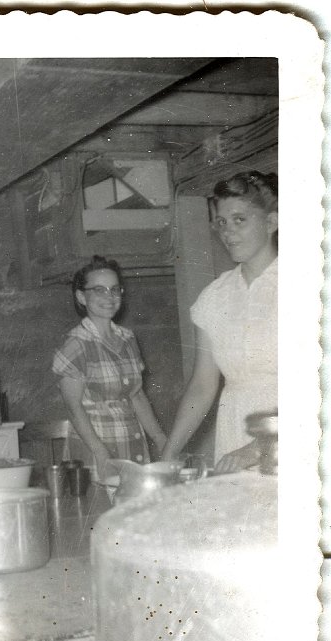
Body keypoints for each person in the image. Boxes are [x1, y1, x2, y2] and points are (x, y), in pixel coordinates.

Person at [161, 170, 278, 473]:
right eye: (222, 223)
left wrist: (257, 448)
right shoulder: (214, 297)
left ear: (271, 222)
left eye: (240, 220)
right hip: (234, 434)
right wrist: (167, 456)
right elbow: (202, 386)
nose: (228, 232)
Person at [52, 256, 167, 485]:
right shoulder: (76, 345)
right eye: (99, 290)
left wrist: (161, 439)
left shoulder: (127, 338)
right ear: (81, 297)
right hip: (96, 449)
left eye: (115, 289)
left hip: (131, 443)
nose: (110, 297)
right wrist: (100, 453)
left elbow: (137, 395)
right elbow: (73, 408)